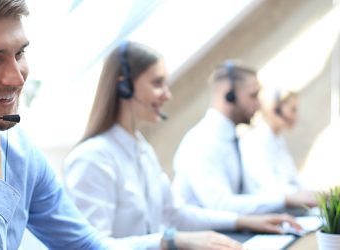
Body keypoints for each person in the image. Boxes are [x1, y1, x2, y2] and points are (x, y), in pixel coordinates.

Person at [63, 42, 302, 250]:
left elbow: (176, 213)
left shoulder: (142, 150)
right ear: (124, 85)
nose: (167, 95)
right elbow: (90, 245)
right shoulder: (92, 158)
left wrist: (244, 221)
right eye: (157, 83)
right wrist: (171, 240)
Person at [0, 0, 118, 249]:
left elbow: (84, 244)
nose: (17, 77)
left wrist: (170, 241)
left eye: (20, 53)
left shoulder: (18, 149)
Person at [172, 60, 317, 215]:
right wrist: (285, 199)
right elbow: (219, 204)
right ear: (229, 95)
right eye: (253, 95)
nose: (260, 105)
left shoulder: (231, 138)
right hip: (198, 235)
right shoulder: (201, 141)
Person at [239, 88, 314, 197]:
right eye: (293, 110)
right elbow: (269, 188)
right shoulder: (254, 141)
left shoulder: (277, 139)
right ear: (275, 110)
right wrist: (306, 196)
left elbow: (293, 177)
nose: (296, 116)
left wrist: (317, 193)